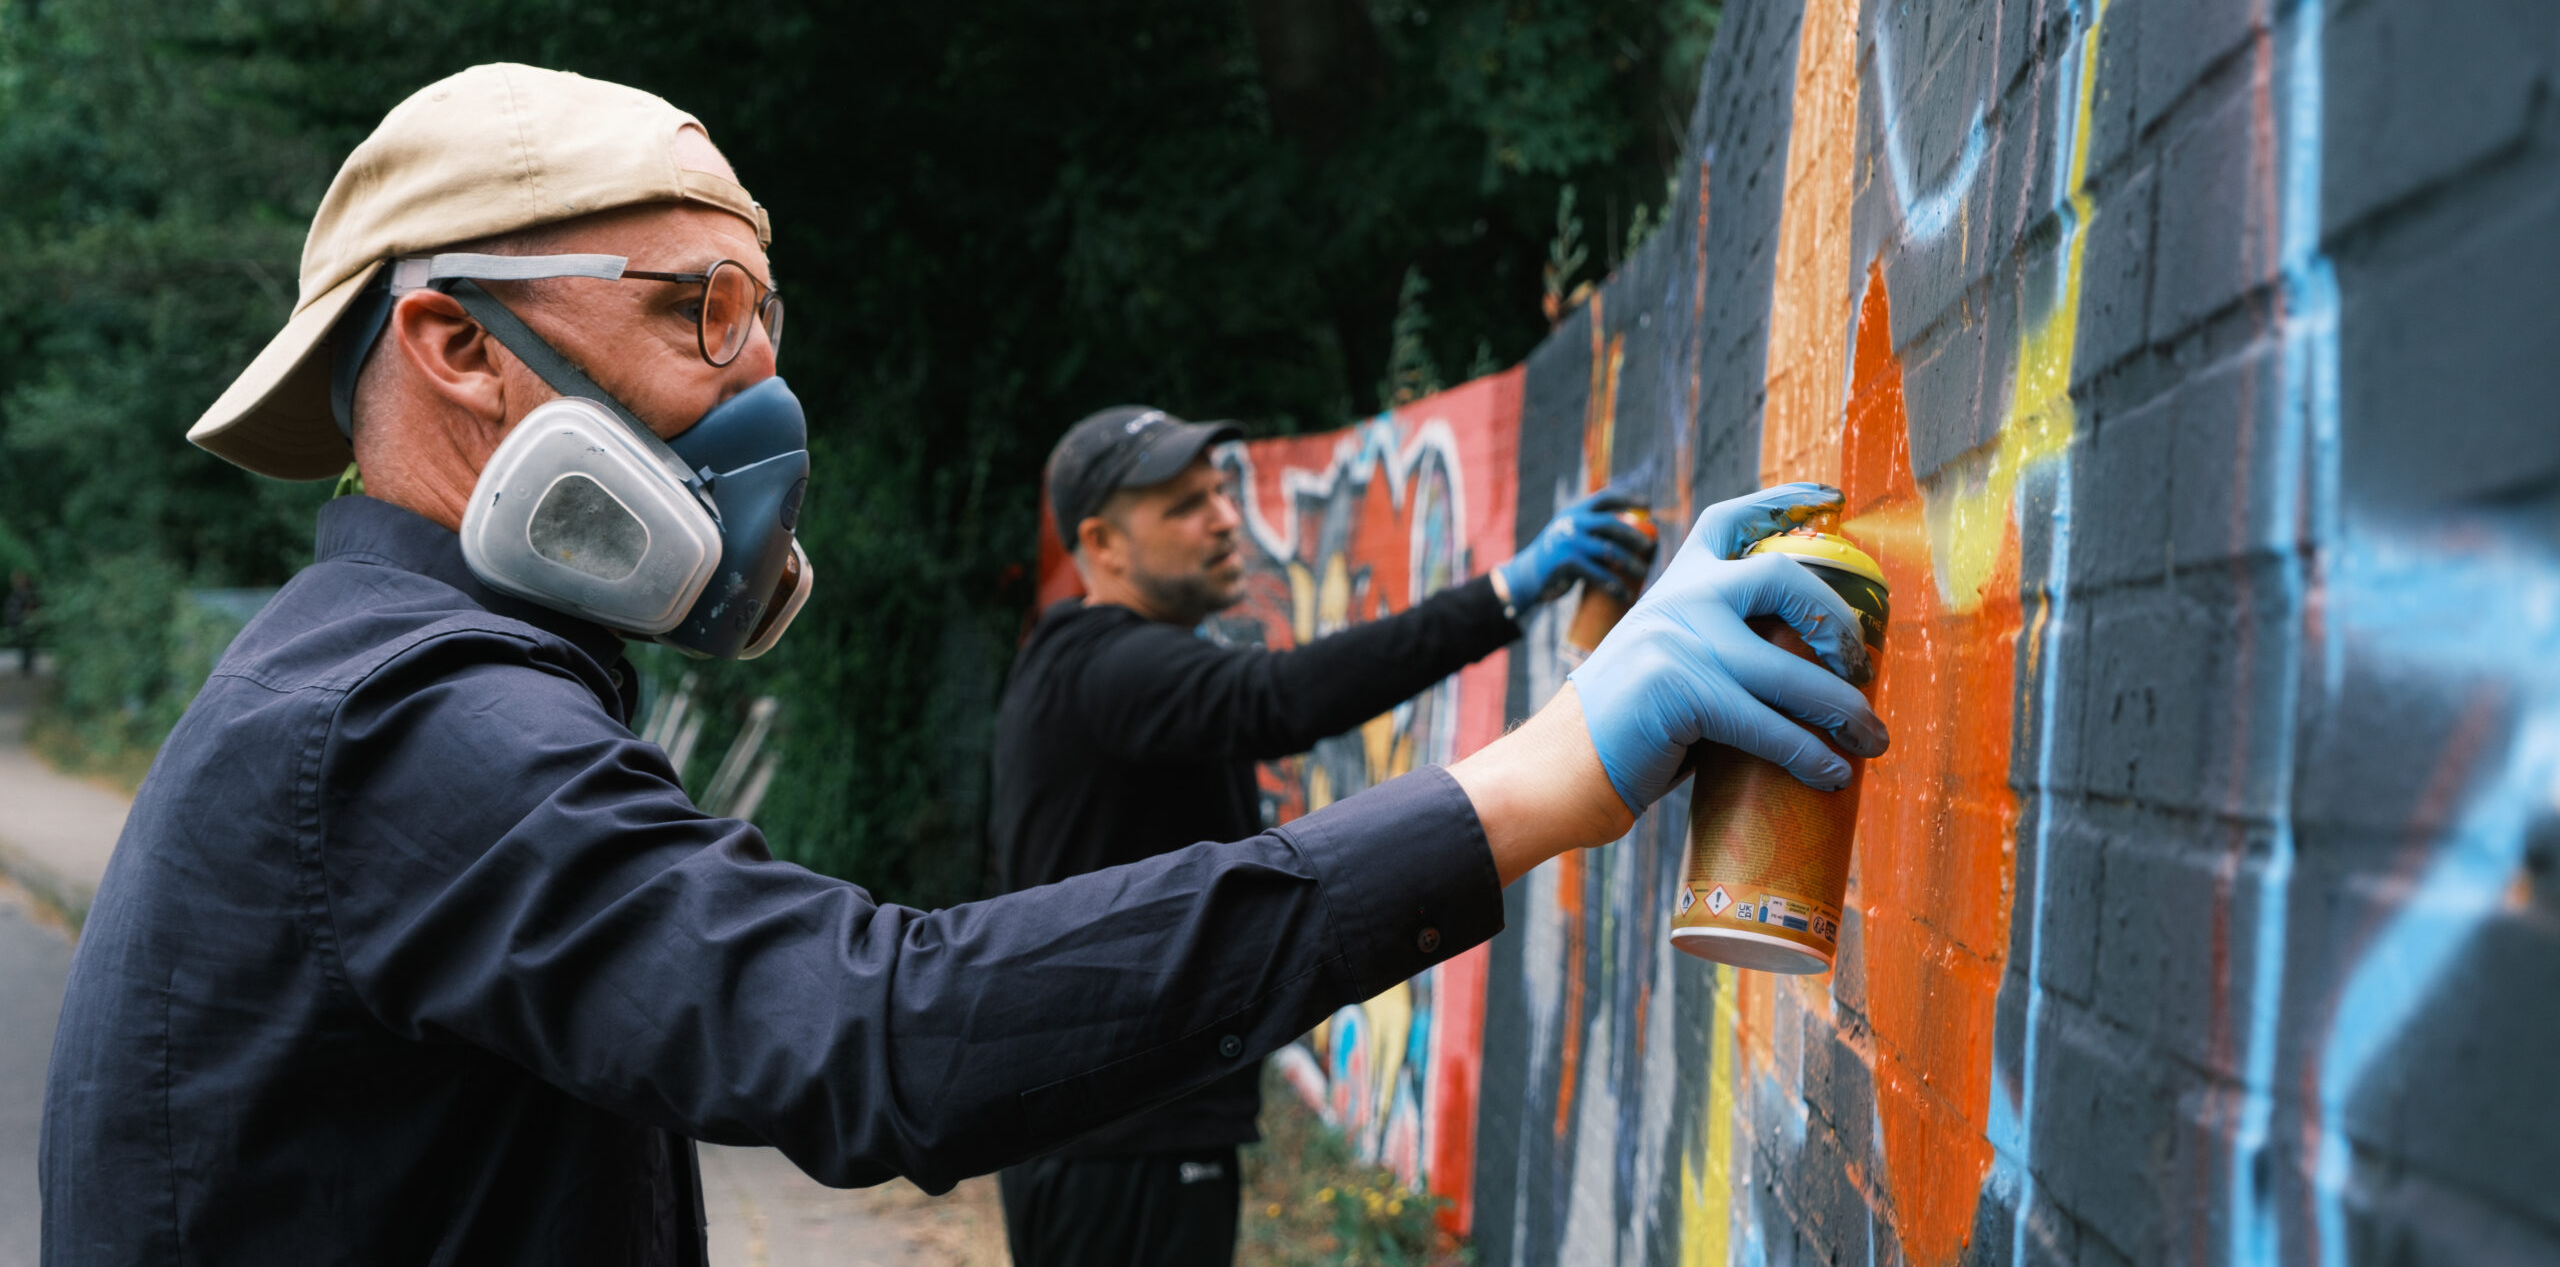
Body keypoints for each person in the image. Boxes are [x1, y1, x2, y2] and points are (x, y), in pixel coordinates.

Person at [39, 63, 1889, 1266]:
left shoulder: (363, 685)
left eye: (763, 318)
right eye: (698, 312)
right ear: (456, 343)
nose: (758, 390)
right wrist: (1551, 774)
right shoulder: (399, 726)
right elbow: (882, 1036)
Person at [988, 407, 1664, 1266]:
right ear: (1103, 542)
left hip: (1105, 1130)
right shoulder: (1110, 667)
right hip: (1125, 1144)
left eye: (1220, 492)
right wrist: (1506, 591)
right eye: (1186, 505)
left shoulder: (1076, 663)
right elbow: (1282, 697)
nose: (1225, 517)